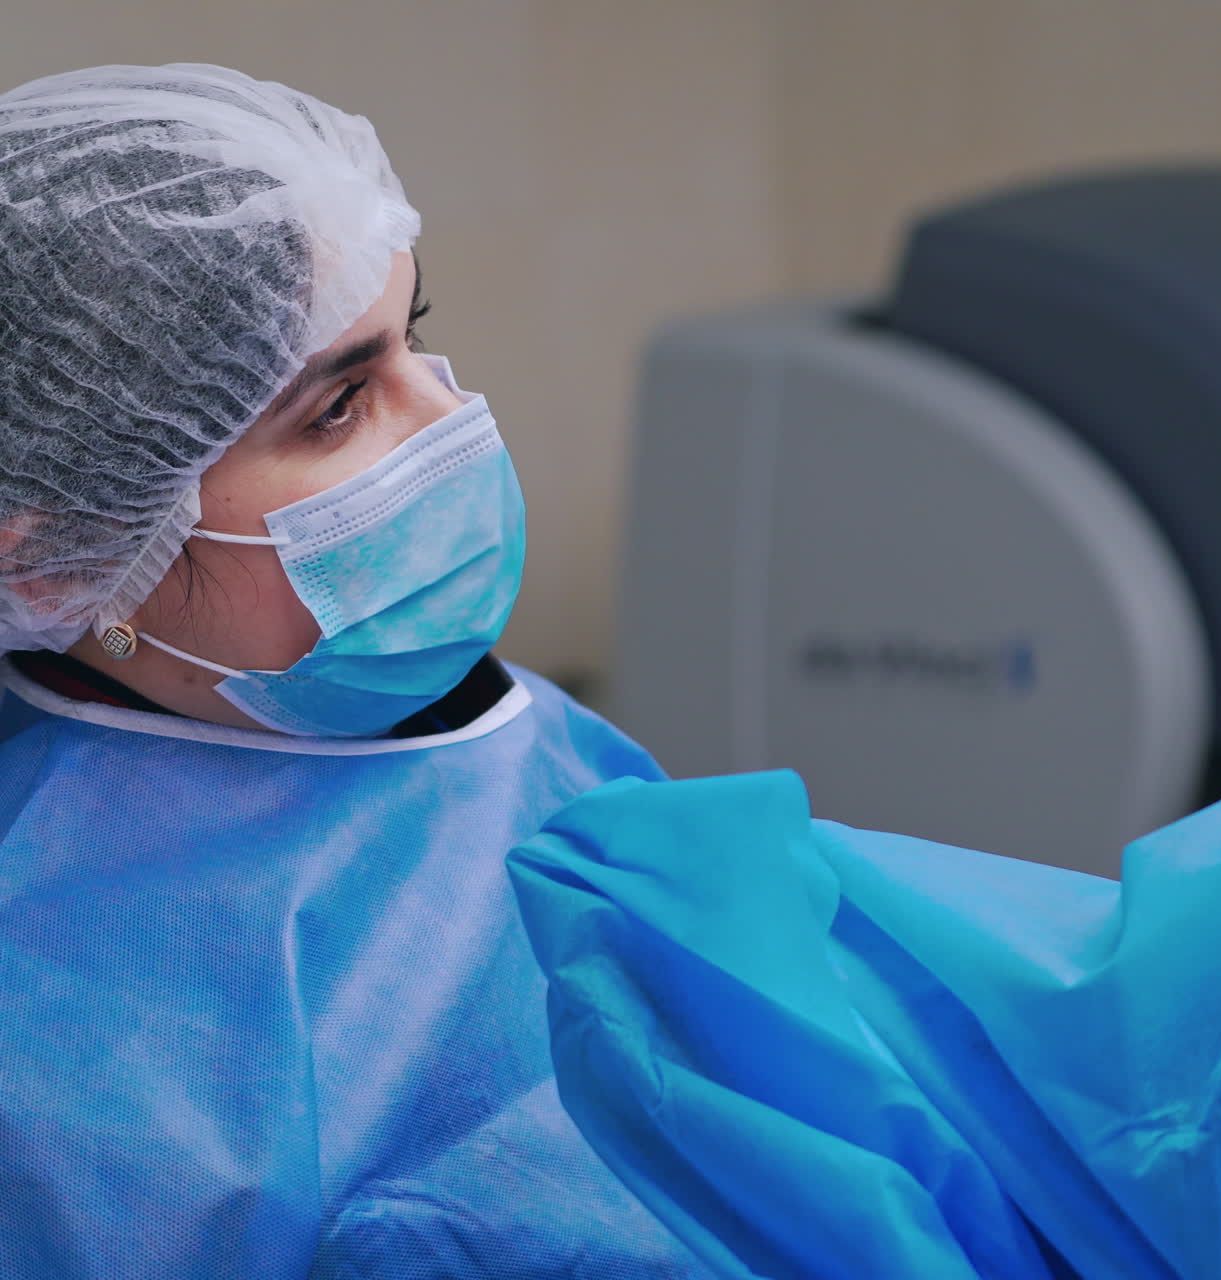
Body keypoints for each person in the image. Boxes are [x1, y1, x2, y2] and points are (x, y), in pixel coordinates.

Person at [0, 63, 712, 1278]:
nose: (448, 418)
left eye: (414, 339)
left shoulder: (518, 736)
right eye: (337, 405)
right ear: (63, 558)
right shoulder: (53, 1007)